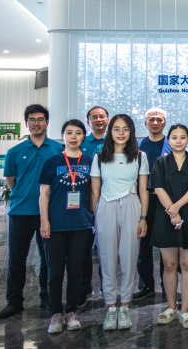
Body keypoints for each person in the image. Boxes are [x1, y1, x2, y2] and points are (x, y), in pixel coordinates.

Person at [0, 104, 64, 319]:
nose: (37, 123)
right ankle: (14, 301)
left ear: (47, 122)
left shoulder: (57, 149)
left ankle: (47, 297)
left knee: (48, 258)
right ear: (27, 124)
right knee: (17, 259)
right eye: (32, 120)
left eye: (41, 119)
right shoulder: (14, 152)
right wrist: (25, 195)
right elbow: (12, 182)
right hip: (21, 212)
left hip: (49, 213)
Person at [90, 114, 150, 331]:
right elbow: (95, 191)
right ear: (110, 131)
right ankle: (110, 306)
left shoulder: (140, 156)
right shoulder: (99, 157)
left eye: (126, 129)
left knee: (129, 257)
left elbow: (143, 190)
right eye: (116, 128)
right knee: (107, 258)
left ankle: (124, 305)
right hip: (106, 206)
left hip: (131, 205)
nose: (121, 133)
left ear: (131, 132)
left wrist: (143, 218)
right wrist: (95, 217)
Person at [39, 119, 94, 333]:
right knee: (54, 272)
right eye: (69, 132)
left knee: (75, 271)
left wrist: (93, 218)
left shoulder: (90, 161)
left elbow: (93, 192)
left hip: (81, 224)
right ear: (62, 136)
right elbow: (44, 194)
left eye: (78, 133)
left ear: (83, 137)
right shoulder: (52, 162)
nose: (73, 137)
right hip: (56, 225)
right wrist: (45, 221)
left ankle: (71, 311)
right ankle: (56, 313)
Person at [150, 124, 188, 329]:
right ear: (169, 140)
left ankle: (186, 310)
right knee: (170, 264)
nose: (179, 141)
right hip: (165, 217)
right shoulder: (160, 162)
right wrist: (172, 212)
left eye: (183, 137)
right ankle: (171, 308)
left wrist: (176, 208)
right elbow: (157, 188)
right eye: (174, 137)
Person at [134, 108, 172, 301]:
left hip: (165, 200)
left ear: (164, 123)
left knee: (166, 244)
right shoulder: (137, 146)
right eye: (151, 120)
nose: (155, 123)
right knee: (144, 244)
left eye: (159, 119)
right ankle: (146, 285)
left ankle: (167, 286)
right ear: (145, 124)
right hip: (144, 199)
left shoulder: (171, 145)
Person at [79, 105, 108, 306]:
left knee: (107, 249)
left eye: (101, 116)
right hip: (83, 204)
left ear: (107, 120)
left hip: (108, 201)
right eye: (94, 117)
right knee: (83, 249)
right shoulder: (82, 143)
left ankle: (107, 286)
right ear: (88, 121)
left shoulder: (115, 142)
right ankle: (84, 288)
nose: (98, 120)